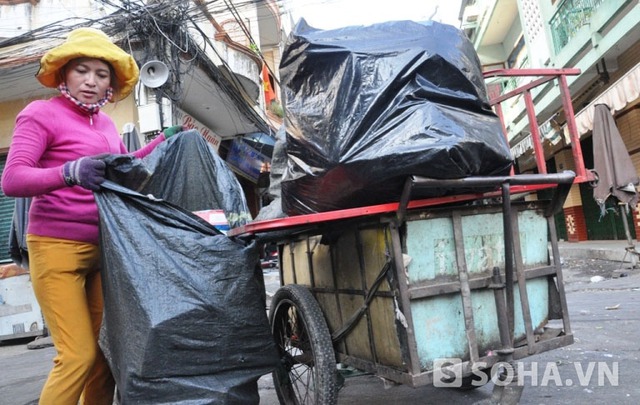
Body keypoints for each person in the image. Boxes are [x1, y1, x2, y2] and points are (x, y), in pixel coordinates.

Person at [1, 27, 182, 405]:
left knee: (102, 358)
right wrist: (68, 172)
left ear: (110, 86)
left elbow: (124, 166)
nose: (91, 81)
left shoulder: (104, 125)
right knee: (77, 355)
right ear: (64, 73)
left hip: (104, 249)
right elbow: (13, 179)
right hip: (56, 249)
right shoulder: (41, 114)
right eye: (82, 70)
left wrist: (163, 142)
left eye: (101, 75)